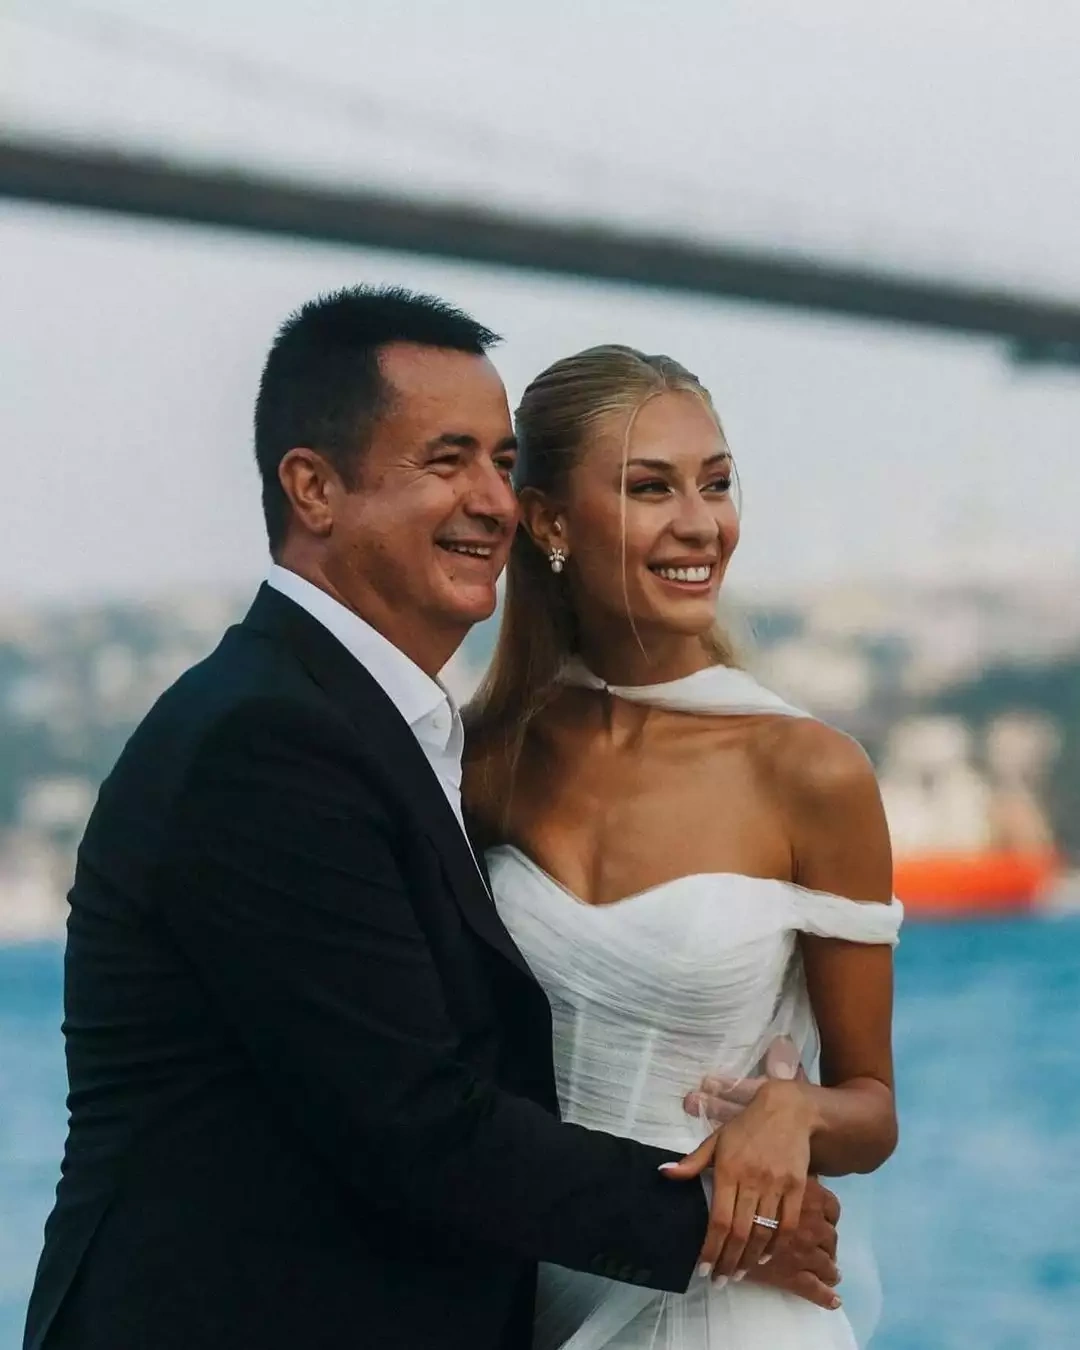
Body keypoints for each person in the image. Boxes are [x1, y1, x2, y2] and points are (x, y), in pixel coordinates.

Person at [23, 291, 839, 1350]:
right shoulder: (264, 743)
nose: (494, 502)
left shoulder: (386, 726)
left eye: (503, 463)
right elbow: (411, 1120)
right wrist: (727, 1223)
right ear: (314, 488)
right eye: (447, 462)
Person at [464, 344, 903, 1348]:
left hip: (732, 1310)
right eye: (650, 487)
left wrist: (794, 1116)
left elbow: (873, 1110)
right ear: (549, 522)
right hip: (523, 1298)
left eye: (716, 483)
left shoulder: (811, 772)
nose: (702, 523)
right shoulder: (486, 762)